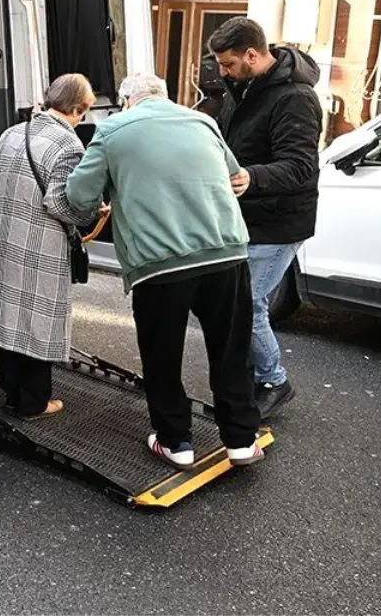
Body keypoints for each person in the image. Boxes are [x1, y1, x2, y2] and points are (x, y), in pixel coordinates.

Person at [66, 72, 263, 469]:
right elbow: (234, 176)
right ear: (165, 97)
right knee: (230, 350)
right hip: (225, 253)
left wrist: (111, 197)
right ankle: (241, 440)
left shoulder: (112, 130)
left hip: (161, 264)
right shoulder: (202, 121)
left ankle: (176, 442)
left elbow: (78, 195)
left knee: (163, 355)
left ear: (127, 101)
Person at [208, 17, 324, 419]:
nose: (222, 72)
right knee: (235, 303)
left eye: (228, 64)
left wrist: (250, 177)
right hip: (248, 215)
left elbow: (300, 166)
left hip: (278, 221)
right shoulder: (243, 87)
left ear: (253, 55)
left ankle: (274, 381)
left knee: (248, 305)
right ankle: (246, 387)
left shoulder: (295, 98)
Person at [0, 73, 106, 420]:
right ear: (78, 108)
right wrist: (94, 208)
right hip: (39, 245)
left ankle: (10, 392)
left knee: (9, 315)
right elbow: (62, 205)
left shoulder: (13, 132)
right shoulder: (69, 146)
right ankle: (33, 403)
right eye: (85, 112)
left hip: (2, 240)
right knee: (36, 320)